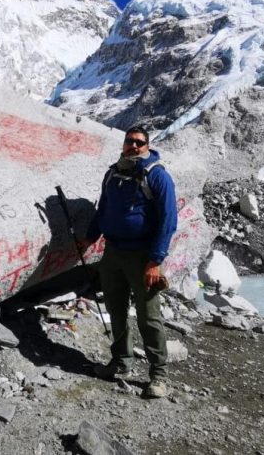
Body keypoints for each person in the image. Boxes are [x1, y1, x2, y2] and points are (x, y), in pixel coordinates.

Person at [78, 126, 178, 399]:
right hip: (113, 253)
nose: (133, 146)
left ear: (147, 146)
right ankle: (121, 361)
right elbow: (104, 210)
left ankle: (159, 374)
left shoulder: (157, 176)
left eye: (139, 142)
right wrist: (90, 238)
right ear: (123, 144)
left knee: (149, 316)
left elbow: (168, 221)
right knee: (115, 308)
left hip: (143, 257)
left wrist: (156, 261)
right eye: (129, 141)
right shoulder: (113, 174)